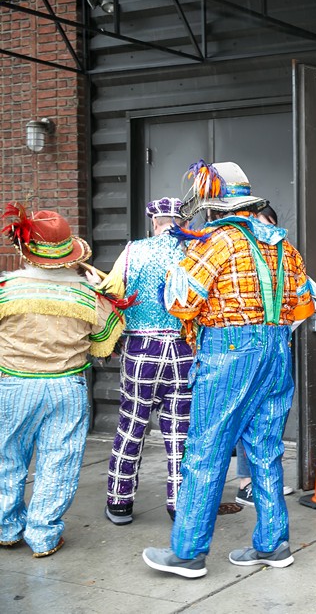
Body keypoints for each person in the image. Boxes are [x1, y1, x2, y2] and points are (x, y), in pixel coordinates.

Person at [142, 160, 314, 579]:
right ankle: (273, 545)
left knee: (205, 450)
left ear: (214, 208)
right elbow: (304, 304)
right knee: (266, 450)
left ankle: (188, 553)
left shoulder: (213, 242)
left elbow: (179, 302)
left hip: (228, 350)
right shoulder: (283, 246)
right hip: (276, 350)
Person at [0, 205, 125, 557]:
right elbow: (105, 342)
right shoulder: (87, 295)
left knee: (6, 458)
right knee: (59, 461)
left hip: (13, 385)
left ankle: (6, 528)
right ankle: (43, 534)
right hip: (65, 387)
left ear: (25, 252)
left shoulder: (5, 289)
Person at [99, 197, 193, 525]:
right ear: (182, 220)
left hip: (141, 348)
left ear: (153, 221)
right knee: (181, 428)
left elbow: (110, 294)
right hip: (184, 349)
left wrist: (109, 340)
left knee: (132, 423)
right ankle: (179, 504)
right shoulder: (194, 251)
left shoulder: (133, 250)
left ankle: (120, 501)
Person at [233, 203, 294, 506]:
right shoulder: (238, 253)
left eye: (260, 222)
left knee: (267, 424)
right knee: (249, 420)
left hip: (275, 349)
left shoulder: (285, 254)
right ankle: (246, 483)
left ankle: (261, 484)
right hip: (244, 351)